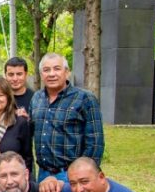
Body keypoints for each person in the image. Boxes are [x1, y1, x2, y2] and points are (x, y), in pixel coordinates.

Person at [30, 53, 104, 182]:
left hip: (71, 175)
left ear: (67, 72)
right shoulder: (37, 98)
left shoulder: (84, 98)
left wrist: (84, 176)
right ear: (41, 75)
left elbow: (95, 143)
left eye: (57, 69)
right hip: (43, 174)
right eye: (46, 70)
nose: (52, 74)